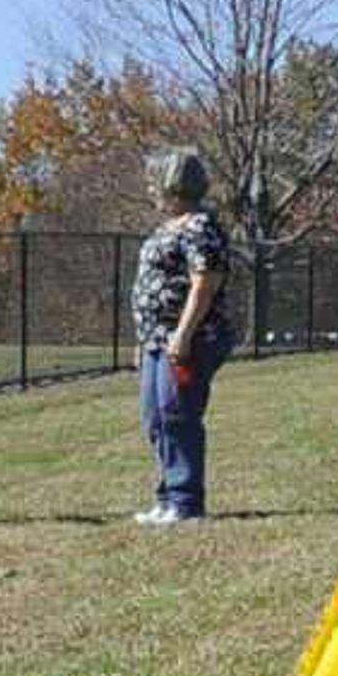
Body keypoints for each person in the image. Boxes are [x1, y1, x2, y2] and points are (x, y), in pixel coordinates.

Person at [127, 151, 234, 525]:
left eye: (157, 182)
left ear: (174, 184)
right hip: (156, 340)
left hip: (188, 338)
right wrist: (143, 341)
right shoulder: (166, 228)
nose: (152, 190)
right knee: (154, 418)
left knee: (177, 414)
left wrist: (184, 333)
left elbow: (206, 281)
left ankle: (186, 501)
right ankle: (167, 497)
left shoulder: (200, 226)